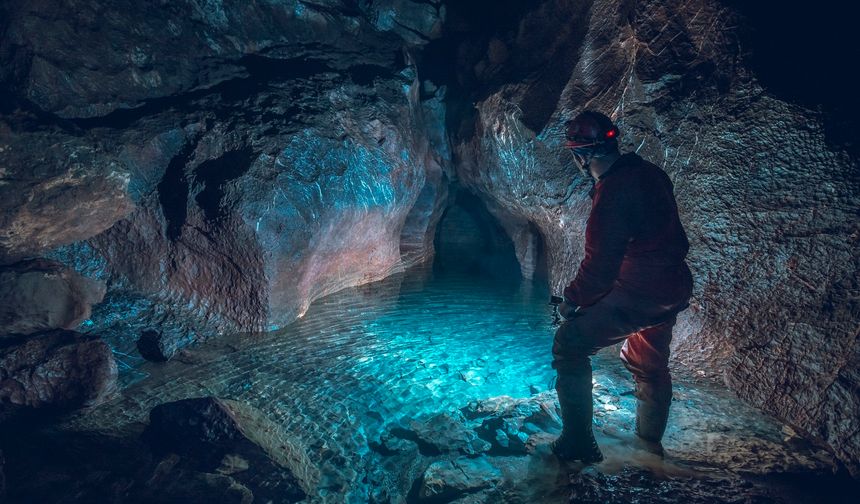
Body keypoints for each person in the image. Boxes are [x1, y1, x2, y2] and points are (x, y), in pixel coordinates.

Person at [550, 110, 693, 463]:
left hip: (638, 293)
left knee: (569, 344)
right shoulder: (651, 173)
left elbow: (600, 267)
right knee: (650, 364)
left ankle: (579, 444)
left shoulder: (613, 192)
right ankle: (649, 446)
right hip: (671, 288)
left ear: (580, 155)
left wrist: (571, 302)